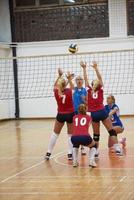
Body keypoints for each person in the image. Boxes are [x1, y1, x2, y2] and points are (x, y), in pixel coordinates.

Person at [80, 61, 122, 156]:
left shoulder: (89, 90)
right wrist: (95, 68)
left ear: (92, 85)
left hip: (94, 114)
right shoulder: (100, 90)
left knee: (96, 135)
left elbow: (85, 79)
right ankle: (117, 148)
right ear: (99, 84)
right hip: (102, 112)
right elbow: (100, 78)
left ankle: (96, 152)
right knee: (111, 130)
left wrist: (84, 68)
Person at [45, 68, 75, 160]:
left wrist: (59, 75)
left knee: (55, 134)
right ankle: (70, 154)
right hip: (70, 114)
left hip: (61, 114)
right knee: (70, 135)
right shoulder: (69, 91)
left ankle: (48, 153)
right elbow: (72, 87)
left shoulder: (56, 92)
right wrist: (69, 79)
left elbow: (56, 86)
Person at [73, 75, 88, 155]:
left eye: (80, 79)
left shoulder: (85, 91)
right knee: (75, 130)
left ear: (82, 81)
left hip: (83, 112)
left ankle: (82, 148)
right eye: (77, 79)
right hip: (75, 112)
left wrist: (83, 100)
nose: (79, 80)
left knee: (83, 130)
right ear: (75, 81)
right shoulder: (73, 89)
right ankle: (75, 147)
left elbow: (87, 103)